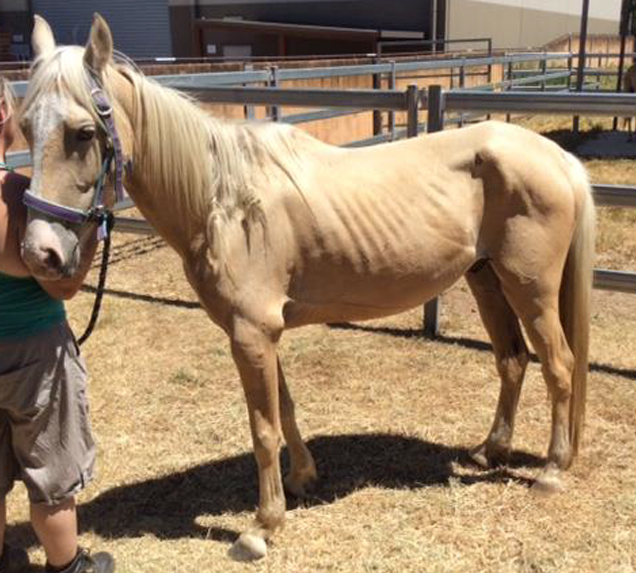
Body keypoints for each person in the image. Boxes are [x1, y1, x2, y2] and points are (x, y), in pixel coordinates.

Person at [0, 76, 114, 573]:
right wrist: (89, 233)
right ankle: (69, 567)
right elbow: (61, 285)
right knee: (51, 469)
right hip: (31, 352)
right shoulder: (12, 198)